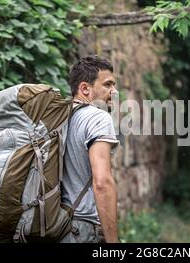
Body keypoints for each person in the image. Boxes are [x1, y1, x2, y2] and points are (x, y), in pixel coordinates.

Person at [60, 55, 120, 243]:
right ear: (85, 88)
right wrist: (113, 242)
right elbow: (102, 183)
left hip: (57, 225)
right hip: (83, 229)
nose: (114, 91)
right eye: (108, 85)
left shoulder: (59, 118)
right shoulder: (98, 118)